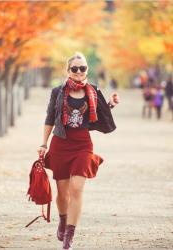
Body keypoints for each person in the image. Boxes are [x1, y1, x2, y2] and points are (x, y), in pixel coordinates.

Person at [37, 52, 119, 250]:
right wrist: (43, 144)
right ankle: (63, 220)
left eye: (83, 68)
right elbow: (50, 118)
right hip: (61, 144)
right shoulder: (58, 92)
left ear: (86, 70)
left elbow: (98, 117)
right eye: (75, 68)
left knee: (77, 188)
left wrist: (110, 105)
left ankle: (69, 238)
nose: (79, 72)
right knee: (62, 192)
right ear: (68, 71)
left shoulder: (93, 91)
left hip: (83, 145)